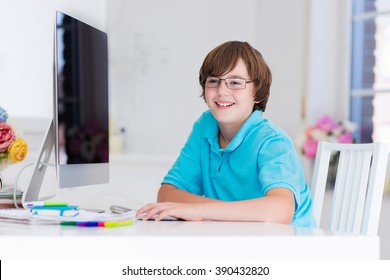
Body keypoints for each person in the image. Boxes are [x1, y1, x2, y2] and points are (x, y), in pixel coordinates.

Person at [137, 41, 316, 227]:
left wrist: (201, 211)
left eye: (235, 83)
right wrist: (227, 212)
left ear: (258, 93)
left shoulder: (272, 141)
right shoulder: (205, 126)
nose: (222, 91)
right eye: (213, 81)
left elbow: (280, 211)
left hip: (287, 249)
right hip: (235, 242)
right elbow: (167, 194)